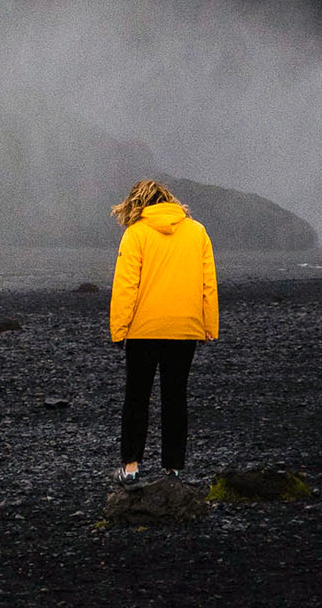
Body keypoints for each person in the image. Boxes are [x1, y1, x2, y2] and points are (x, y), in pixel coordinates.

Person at [108, 178, 219, 483]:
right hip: (185, 329)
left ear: (137, 203)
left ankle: (130, 468)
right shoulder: (197, 232)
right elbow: (208, 283)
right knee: (175, 397)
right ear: (170, 200)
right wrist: (210, 326)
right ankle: (173, 468)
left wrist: (119, 330)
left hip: (144, 330)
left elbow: (126, 288)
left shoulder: (136, 234)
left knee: (137, 397)